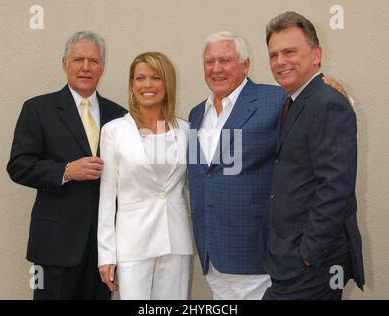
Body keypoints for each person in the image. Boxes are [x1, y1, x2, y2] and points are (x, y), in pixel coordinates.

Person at [187, 31, 350, 300]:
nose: (216, 68)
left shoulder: (275, 100)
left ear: (246, 64)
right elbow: (205, 175)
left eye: (225, 60)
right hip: (212, 257)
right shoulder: (196, 114)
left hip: (257, 257)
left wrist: (338, 96)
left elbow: (319, 112)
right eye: (209, 61)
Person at [6, 31, 127, 299]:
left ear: (103, 68)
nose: (86, 67)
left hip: (103, 249)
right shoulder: (38, 108)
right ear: (65, 64)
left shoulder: (119, 115)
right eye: (78, 60)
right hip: (55, 245)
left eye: (94, 61)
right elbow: (18, 165)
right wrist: (66, 171)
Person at [260, 11, 364, 300]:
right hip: (292, 260)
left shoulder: (328, 102)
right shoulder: (295, 101)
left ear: (316, 54)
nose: (280, 61)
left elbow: (335, 188)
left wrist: (308, 253)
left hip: (313, 263)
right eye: (273, 55)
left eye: (290, 51)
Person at [97, 52, 194, 300]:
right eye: (140, 78)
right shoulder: (114, 131)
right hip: (133, 244)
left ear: (167, 84)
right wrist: (106, 255)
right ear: (132, 85)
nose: (147, 85)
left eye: (155, 77)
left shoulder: (185, 130)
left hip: (176, 241)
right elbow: (107, 197)